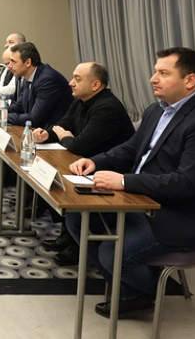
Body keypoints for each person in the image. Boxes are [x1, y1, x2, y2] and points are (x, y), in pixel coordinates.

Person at [67, 47, 195, 319]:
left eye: (163, 73)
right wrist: (95, 161)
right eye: (155, 71)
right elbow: (131, 149)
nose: (152, 79)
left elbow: (186, 184)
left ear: (190, 80)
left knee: (111, 252)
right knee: (77, 220)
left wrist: (124, 181)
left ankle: (148, 290)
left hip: (185, 216)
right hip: (144, 200)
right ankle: (132, 289)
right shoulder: (156, 110)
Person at [31, 62, 135, 265]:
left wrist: (65, 137)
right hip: (85, 163)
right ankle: (68, 235)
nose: (71, 83)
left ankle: (79, 246)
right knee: (49, 178)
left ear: (95, 85)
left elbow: (80, 145)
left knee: (60, 182)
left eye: (77, 79)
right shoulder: (81, 100)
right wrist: (47, 134)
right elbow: (63, 126)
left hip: (108, 170)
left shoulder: (107, 108)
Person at [2, 42, 72, 127]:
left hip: (53, 131)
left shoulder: (47, 80)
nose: (9, 66)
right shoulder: (28, 76)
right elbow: (20, 105)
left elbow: (34, 119)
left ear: (28, 63)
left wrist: (4, 116)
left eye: (13, 62)